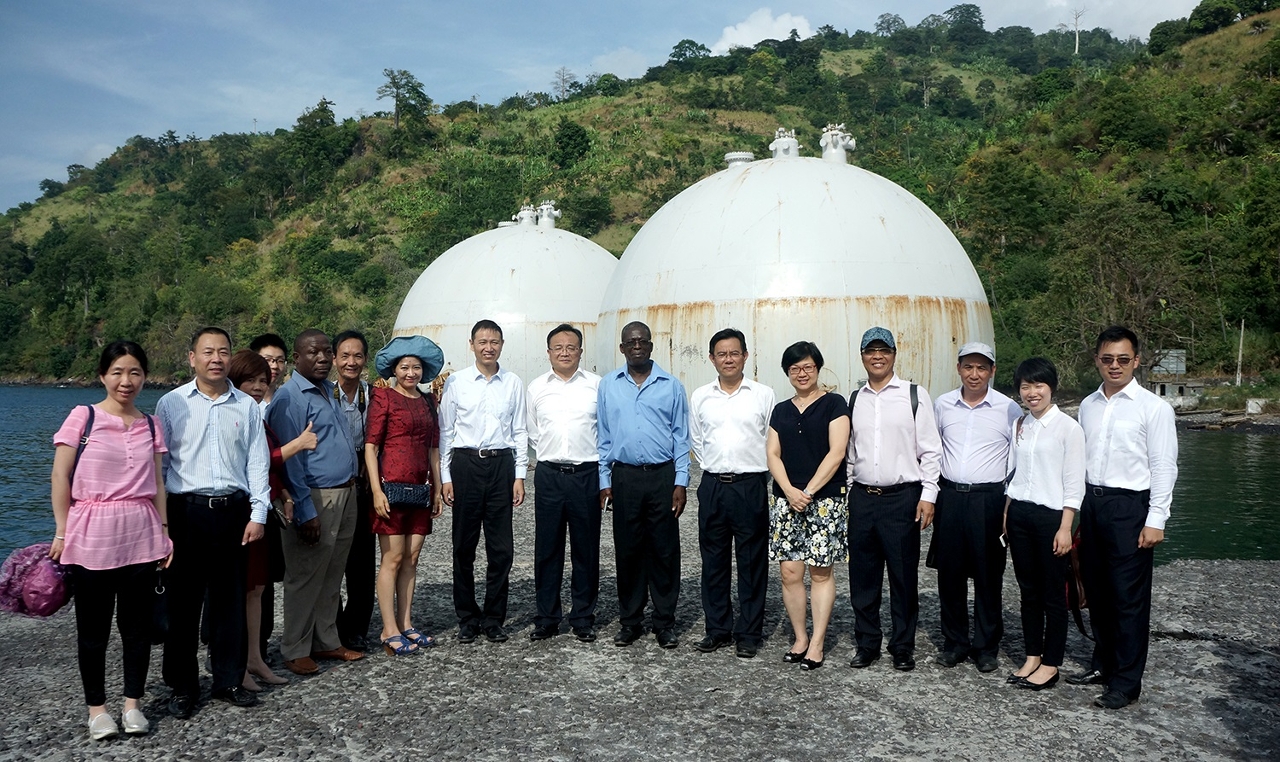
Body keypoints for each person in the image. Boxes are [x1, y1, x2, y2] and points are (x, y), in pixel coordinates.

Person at [50, 341, 173, 739]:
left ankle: (133, 705)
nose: (127, 381)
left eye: (135, 372)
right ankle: (97, 710)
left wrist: (165, 532)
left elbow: (157, 483)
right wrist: (61, 530)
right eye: (118, 372)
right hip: (92, 535)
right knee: (93, 629)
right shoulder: (82, 417)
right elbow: (60, 477)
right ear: (103, 376)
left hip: (140, 532)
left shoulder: (151, 424)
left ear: (144, 377)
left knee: (136, 628)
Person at [156, 327, 269, 717]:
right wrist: (162, 523)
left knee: (229, 601)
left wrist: (259, 513)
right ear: (192, 358)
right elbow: (163, 464)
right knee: (183, 604)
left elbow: (258, 462)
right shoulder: (171, 404)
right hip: (185, 511)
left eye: (223, 351)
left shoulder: (246, 406)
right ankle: (183, 687)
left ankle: (228, 680)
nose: (216, 358)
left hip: (233, 512)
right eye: (208, 351)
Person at [1069, 326, 1178, 710]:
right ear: (1097, 359)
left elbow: (1164, 466)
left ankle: (1126, 682)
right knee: (1096, 589)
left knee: (1128, 598)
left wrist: (1156, 519)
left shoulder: (1154, 408)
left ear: (1136, 361)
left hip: (1130, 507)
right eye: (1107, 358)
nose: (1114, 366)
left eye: (1123, 359)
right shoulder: (1088, 404)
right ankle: (1103, 663)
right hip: (1093, 504)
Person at [845, 326, 942, 672]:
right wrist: (848, 494)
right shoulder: (855, 399)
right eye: (870, 351)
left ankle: (902, 645)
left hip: (902, 498)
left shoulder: (914, 395)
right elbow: (850, 453)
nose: (877, 356)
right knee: (863, 577)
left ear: (894, 355)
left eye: (883, 350)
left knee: (903, 578)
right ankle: (867, 643)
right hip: (863, 498)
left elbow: (931, 451)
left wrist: (928, 495)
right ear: (862, 357)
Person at [268, 329, 363, 675]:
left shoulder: (326, 391)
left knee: (331, 573)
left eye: (327, 352)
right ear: (297, 358)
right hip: (316, 498)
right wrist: (306, 511)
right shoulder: (290, 399)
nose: (322, 358)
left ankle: (326, 639)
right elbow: (290, 462)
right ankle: (295, 647)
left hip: (345, 493)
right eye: (314, 353)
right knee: (305, 574)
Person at [226, 350, 316, 690]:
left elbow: (266, 468)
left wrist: (284, 494)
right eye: (250, 379)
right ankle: (238, 665)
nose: (257, 386)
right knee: (243, 590)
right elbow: (260, 463)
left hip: (261, 511)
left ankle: (254, 660)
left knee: (257, 590)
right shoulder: (235, 414)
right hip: (242, 514)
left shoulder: (257, 416)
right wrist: (300, 444)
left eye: (263, 380)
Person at [597, 321, 690, 649]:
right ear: (622, 348)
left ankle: (664, 622)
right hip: (625, 477)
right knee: (628, 550)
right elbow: (604, 437)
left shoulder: (671, 385)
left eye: (642, 341)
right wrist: (604, 481)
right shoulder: (609, 385)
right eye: (630, 342)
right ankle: (630, 621)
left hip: (662, 476)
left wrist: (681, 481)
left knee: (664, 551)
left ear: (651, 346)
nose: (637, 346)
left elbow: (681, 437)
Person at [931, 342, 1021, 673]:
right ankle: (954, 642)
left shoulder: (1008, 409)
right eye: (968, 367)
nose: (974, 374)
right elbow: (933, 448)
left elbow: (1016, 459)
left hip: (989, 499)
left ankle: (986, 645)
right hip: (951, 496)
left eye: (982, 368)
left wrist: (1008, 499)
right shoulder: (943, 405)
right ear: (958, 368)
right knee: (950, 574)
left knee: (988, 575)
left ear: (992, 371)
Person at [439, 319, 528, 644]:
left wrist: (519, 476)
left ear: (502, 344)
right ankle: (467, 617)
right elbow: (446, 431)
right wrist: (445, 476)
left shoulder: (513, 382)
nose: (488, 347)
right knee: (463, 546)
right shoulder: (457, 382)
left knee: (501, 548)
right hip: (465, 465)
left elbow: (520, 431)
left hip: (501, 465)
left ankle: (493, 618)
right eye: (482, 341)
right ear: (472, 344)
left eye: (494, 341)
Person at [690, 328, 776, 659]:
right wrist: (714, 466)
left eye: (734, 353)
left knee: (752, 561)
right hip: (713, 485)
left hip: (750, 485)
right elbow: (697, 440)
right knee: (713, 560)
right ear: (712, 358)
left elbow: (772, 440)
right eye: (721, 354)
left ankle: (749, 632)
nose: (728, 359)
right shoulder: (700, 396)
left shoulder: (763, 394)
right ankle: (718, 629)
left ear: (745, 356)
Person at [765, 341, 849, 670]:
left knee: (820, 571)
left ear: (818, 368)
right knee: (789, 572)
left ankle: (817, 642)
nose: (802, 373)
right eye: (795, 368)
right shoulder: (781, 410)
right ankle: (800, 636)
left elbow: (837, 451)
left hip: (824, 499)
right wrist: (788, 490)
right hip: (786, 499)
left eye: (808, 367)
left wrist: (808, 491)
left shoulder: (834, 404)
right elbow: (772, 453)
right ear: (787, 372)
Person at [1004, 357, 1085, 691]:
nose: (1032, 392)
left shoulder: (1069, 428)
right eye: (1025, 386)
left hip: (1052, 517)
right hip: (1020, 513)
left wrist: (1066, 526)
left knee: (1053, 594)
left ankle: (1051, 664)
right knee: (1028, 591)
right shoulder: (1020, 425)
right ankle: (1032, 656)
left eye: (1038, 385)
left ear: (1052, 386)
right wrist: (1007, 513)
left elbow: (1074, 482)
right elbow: (1014, 472)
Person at [365, 335, 446, 656]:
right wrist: (375, 490)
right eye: (404, 367)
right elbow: (371, 448)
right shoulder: (383, 399)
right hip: (390, 488)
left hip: (420, 489)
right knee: (393, 558)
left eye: (416, 367)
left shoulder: (428, 402)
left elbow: (433, 449)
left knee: (412, 559)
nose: (410, 373)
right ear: (394, 370)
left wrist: (438, 488)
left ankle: (406, 622)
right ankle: (388, 628)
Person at [526, 324, 603, 643]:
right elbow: (532, 431)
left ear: (581, 351)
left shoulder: (597, 386)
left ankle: (583, 616)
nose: (565, 352)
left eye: (571, 347)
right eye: (558, 347)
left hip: (587, 474)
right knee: (547, 548)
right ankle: (547, 617)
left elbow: (605, 430)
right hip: (549, 474)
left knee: (586, 549)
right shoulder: (536, 388)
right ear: (548, 352)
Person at [333, 329, 376, 653]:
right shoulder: (322, 394)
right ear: (334, 359)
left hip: (363, 481)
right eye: (345, 356)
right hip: (332, 481)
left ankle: (357, 628)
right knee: (331, 558)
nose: (351, 362)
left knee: (361, 560)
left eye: (357, 356)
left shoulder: (373, 395)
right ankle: (330, 626)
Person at [249, 333, 289, 409]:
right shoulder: (242, 401)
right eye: (267, 360)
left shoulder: (288, 402)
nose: (275, 366)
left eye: (280, 361)